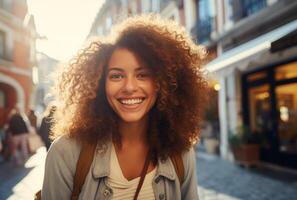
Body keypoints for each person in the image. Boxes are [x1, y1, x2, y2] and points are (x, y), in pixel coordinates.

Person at [41, 14, 207, 200]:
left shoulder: (180, 153)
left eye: (143, 75)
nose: (129, 87)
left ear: (164, 82)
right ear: (99, 84)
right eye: (116, 76)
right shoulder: (66, 152)